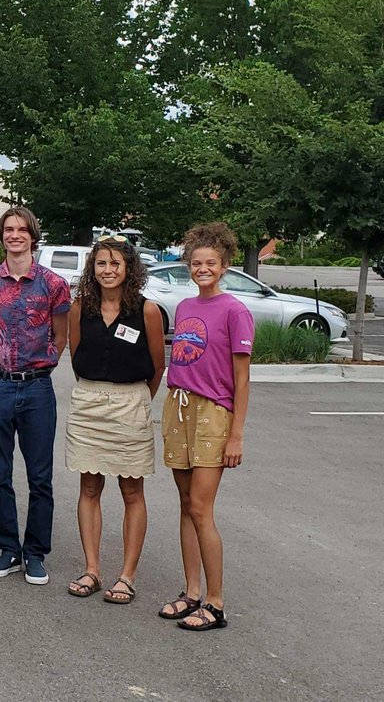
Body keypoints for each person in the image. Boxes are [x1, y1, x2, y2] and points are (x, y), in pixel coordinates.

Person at [157, 222, 252, 632]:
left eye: (211, 263)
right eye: (196, 263)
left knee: (200, 507)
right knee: (185, 504)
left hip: (214, 413)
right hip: (179, 406)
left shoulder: (235, 311)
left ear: (224, 265)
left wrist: (236, 435)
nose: (203, 269)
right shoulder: (185, 307)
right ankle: (192, 591)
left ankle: (215, 603)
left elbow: (242, 379)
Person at [0, 206, 70, 586]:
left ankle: (35, 553)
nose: (15, 235)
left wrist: (39, 368)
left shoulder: (53, 284)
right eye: (9, 229)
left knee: (39, 476)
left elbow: (60, 336)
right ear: (1, 236)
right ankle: (8, 549)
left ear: (33, 235)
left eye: (22, 229)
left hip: (37, 387)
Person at [65, 235, 165, 603]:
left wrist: (137, 402)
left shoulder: (147, 311)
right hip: (88, 403)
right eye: (101, 263)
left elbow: (158, 366)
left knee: (131, 492)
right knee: (89, 489)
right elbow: (76, 357)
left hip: (130, 403)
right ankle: (91, 569)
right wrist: (95, 393)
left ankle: (126, 576)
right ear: (92, 269)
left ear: (129, 269)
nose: (108, 270)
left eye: (115, 264)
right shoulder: (80, 308)